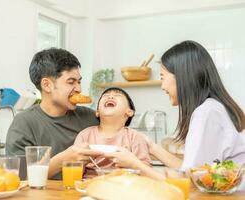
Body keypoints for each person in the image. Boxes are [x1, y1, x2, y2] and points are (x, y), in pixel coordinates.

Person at [104, 40, 245, 179]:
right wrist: (151, 147)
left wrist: (135, 164)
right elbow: (194, 170)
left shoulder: (206, 113)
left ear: (183, 77)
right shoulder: (213, 107)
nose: (162, 86)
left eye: (162, 77)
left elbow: (190, 182)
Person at [6, 48, 102, 180]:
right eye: (71, 82)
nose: (79, 89)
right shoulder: (23, 123)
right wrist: (63, 160)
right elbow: (18, 179)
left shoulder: (91, 118)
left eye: (79, 81)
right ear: (47, 85)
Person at [74, 87, 151, 177]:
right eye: (105, 95)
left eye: (117, 95)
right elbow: (74, 169)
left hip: (124, 187)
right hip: (88, 186)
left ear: (129, 112)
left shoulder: (135, 137)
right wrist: (81, 162)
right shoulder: (84, 135)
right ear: (97, 112)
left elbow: (146, 171)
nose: (110, 97)